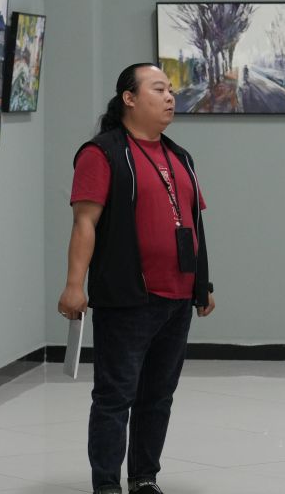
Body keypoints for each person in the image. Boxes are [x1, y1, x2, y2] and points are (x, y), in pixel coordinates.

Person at [58, 63, 216, 494]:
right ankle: (107, 484)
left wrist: (203, 283)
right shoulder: (102, 153)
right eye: (159, 89)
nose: (170, 98)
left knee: (158, 397)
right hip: (127, 297)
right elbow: (84, 223)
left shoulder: (180, 156)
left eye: (171, 91)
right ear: (129, 98)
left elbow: (192, 225)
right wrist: (74, 285)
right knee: (115, 396)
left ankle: (144, 477)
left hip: (177, 297)